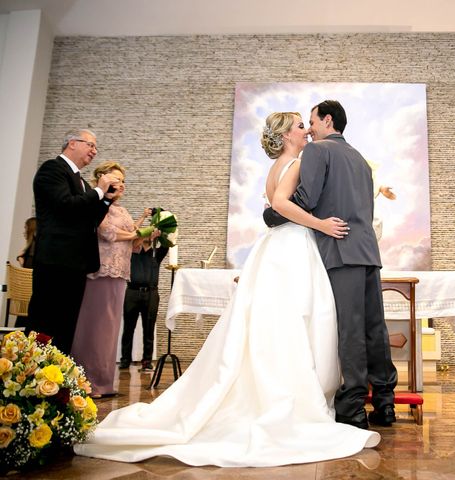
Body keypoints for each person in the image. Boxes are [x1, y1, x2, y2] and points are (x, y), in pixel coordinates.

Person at [74, 111, 380, 467]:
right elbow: (281, 205)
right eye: (300, 126)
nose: (306, 130)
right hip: (294, 246)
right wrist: (322, 224)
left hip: (280, 246)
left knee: (280, 321)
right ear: (285, 136)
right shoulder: (295, 161)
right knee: (298, 319)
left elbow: (274, 206)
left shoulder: (280, 164)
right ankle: (294, 393)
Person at [264, 100, 398, 429]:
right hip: (367, 251)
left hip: (340, 250)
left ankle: (352, 408)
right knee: (375, 330)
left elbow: (306, 198)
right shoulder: (361, 161)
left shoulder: (317, 152)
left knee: (350, 330)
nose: (309, 129)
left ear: (327, 120)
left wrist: (272, 213)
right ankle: (385, 403)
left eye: (312, 122)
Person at [27, 128, 118, 354]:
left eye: (95, 147)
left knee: (66, 326)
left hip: (76, 263)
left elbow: (90, 220)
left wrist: (106, 200)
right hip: (55, 260)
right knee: (45, 322)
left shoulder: (82, 183)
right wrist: (98, 190)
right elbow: (65, 205)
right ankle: (31, 380)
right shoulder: (52, 169)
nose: (94, 151)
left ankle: (57, 382)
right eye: (91, 145)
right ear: (72, 143)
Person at [71, 162, 149, 398]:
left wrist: (147, 234)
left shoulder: (123, 212)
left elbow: (134, 245)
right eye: (117, 180)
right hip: (101, 270)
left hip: (120, 272)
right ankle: (86, 382)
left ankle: (104, 382)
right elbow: (106, 233)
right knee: (95, 326)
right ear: (102, 181)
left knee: (111, 327)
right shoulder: (96, 206)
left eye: (123, 181)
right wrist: (136, 234)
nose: (121, 185)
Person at [119, 217, 168, 372]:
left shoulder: (156, 254)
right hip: (132, 292)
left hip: (151, 294)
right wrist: (143, 234)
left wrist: (160, 231)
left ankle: (146, 361)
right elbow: (131, 240)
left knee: (149, 328)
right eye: (145, 235)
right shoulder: (131, 252)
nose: (147, 237)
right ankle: (125, 360)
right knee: (128, 328)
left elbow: (167, 244)